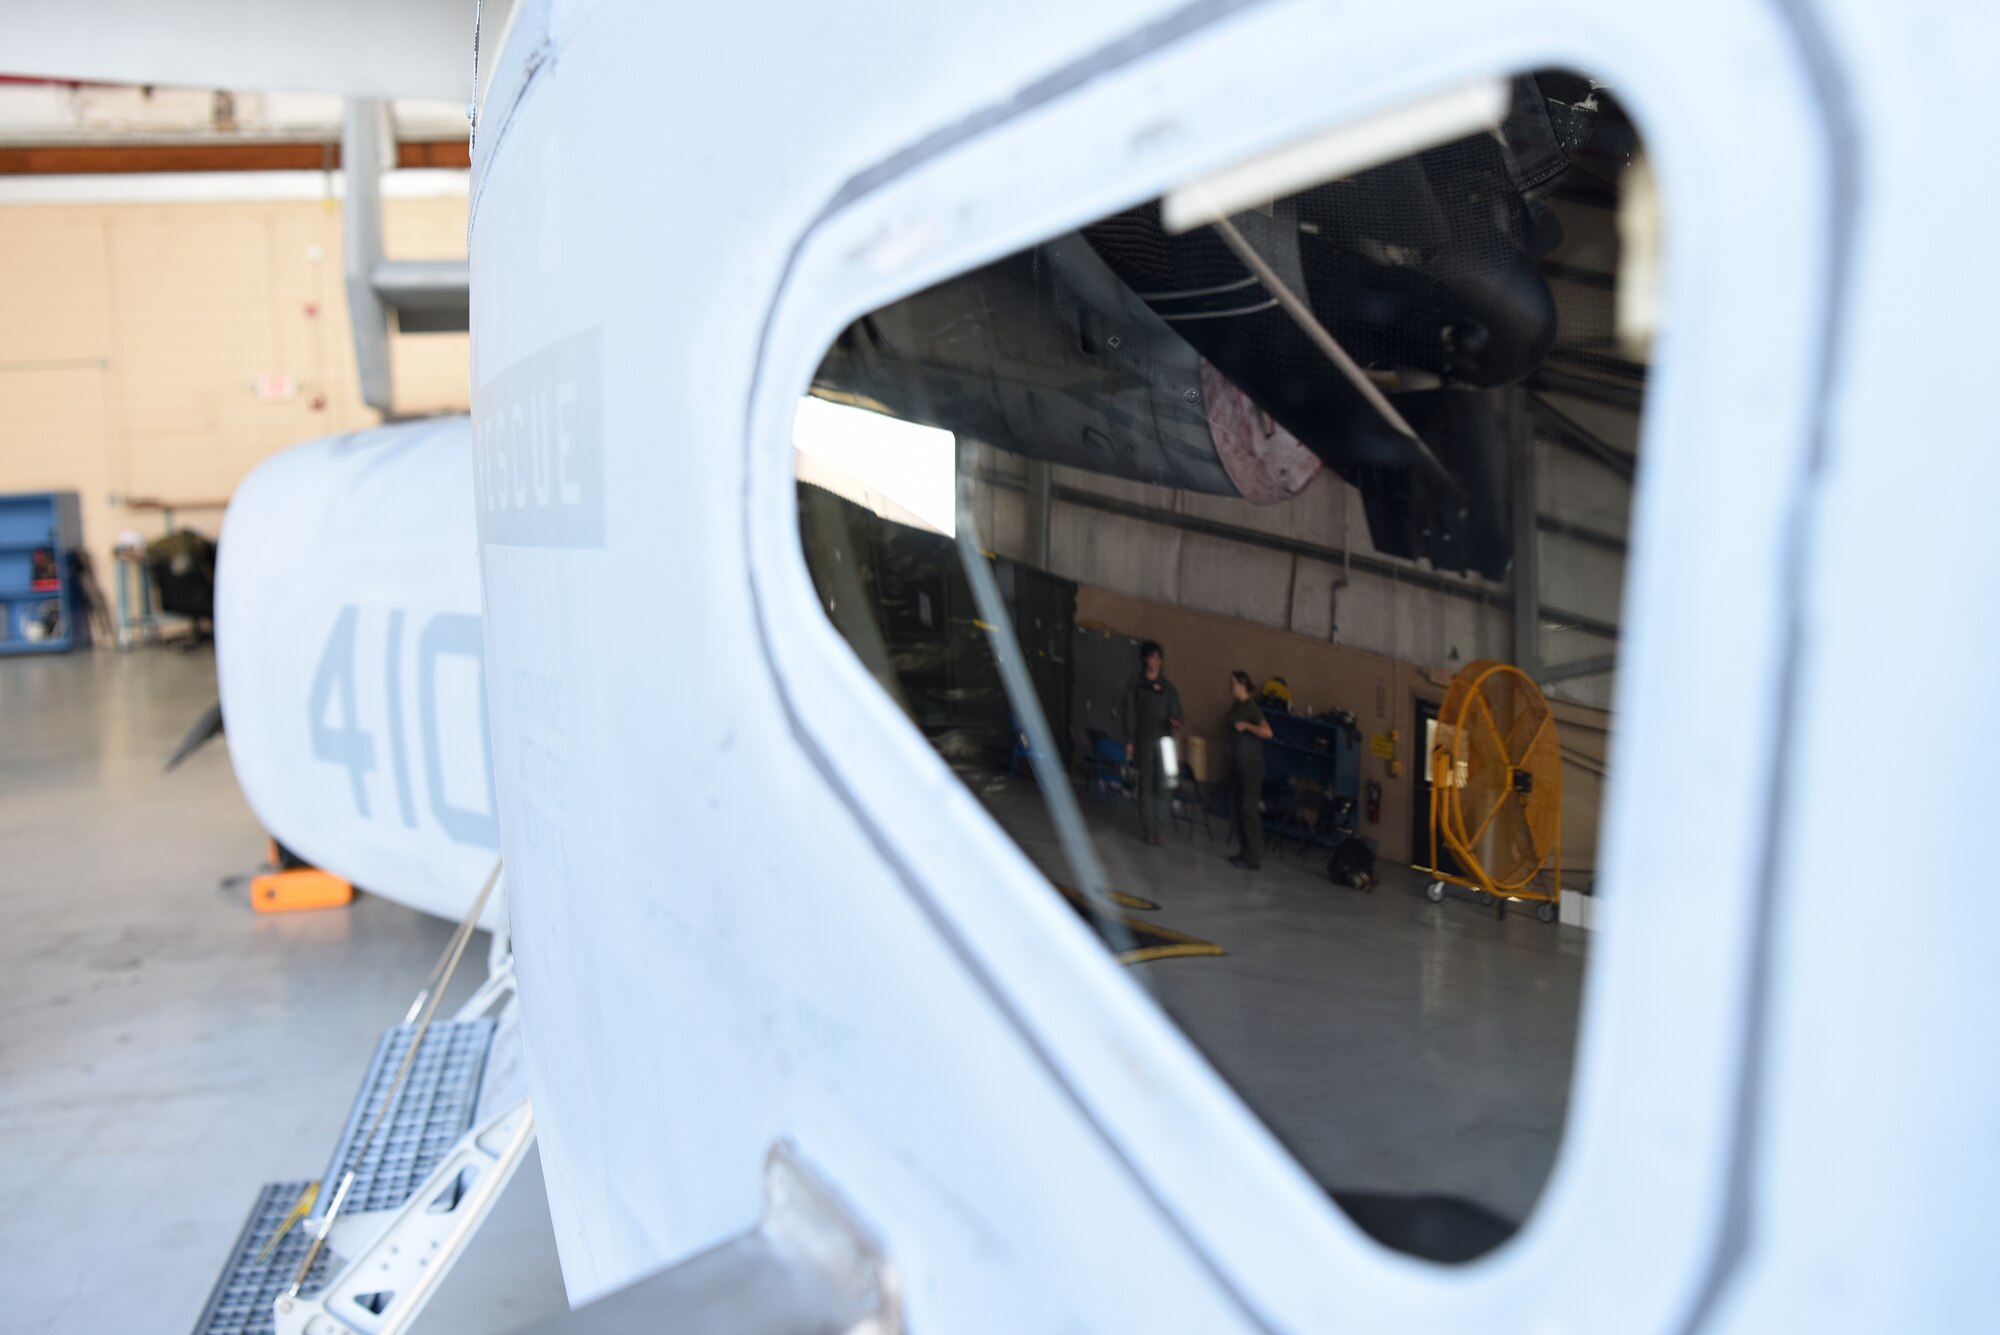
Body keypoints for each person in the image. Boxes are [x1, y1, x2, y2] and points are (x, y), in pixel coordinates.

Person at [1118, 641, 1184, 846]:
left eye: (1158, 658)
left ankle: (1160, 828)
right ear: (1144, 659)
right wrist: (1129, 739)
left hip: (1166, 742)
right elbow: (1129, 712)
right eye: (1151, 657)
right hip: (1143, 738)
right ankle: (1148, 829)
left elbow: (1178, 716)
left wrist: (1176, 721)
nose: (1155, 662)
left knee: (1166, 786)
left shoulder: (1168, 688)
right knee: (1145, 785)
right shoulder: (1135, 684)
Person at [1226, 670, 1275, 870]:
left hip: (1251, 766)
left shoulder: (1251, 707)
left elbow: (1267, 732)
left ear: (1241, 685)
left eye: (1232, 683)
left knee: (1248, 808)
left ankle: (1253, 856)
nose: (1230, 686)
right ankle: (1244, 851)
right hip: (1239, 762)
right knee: (1237, 807)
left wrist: (1246, 725)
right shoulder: (1236, 705)